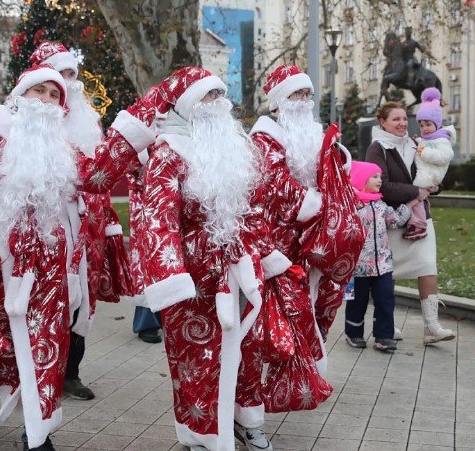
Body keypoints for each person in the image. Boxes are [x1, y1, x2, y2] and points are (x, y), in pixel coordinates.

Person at [0, 63, 156, 451]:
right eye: (41, 91)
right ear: (21, 94)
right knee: (3, 346)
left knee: (47, 347)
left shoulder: (63, 147)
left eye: (56, 95)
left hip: (53, 268)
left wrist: (136, 124)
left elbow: (97, 176)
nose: (48, 100)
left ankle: (37, 434)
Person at [134, 66, 270, 451]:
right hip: (191, 275)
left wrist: (264, 255)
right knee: (196, 357)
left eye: (218, 95)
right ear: (186, 106)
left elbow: (254, 208)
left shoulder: (236, 149)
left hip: (239, 268)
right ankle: (202, 435)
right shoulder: (168, 153)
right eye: (206, 97)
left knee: (248, 347)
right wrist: (171, 276)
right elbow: (156, 219)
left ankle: (247, 420)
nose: (216, 104)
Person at [29, 40, 135, 401]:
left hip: (87, 230)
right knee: (48, 304)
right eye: (61, 74)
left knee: (83, 306)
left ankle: (71, 373)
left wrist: (108, 223)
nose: (68, 82)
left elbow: (100, 178)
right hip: (45, 233)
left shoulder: (89, 121)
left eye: (72, 74)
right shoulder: (29, 121)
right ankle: (38, 375)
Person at [251, 64, 358, 372]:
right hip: (280, 237)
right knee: (284, 303)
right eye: (297, 93)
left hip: (316, 233)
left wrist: (340, 163)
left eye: (309, 93)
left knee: (316, 298)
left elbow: (329, 169)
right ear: (280, 99)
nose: (305, 100)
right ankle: (279, 367)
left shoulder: (311, 133)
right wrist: (315, 204)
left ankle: (304, 364)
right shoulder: (265, 136)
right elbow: (276, 183)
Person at [365, 102, 455, 344]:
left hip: (421, 218)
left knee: (428, 266)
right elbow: (381, 185)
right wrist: (415, 191)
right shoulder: (377, 148)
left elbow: (431, 170)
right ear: (382, 122)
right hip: (393, 218)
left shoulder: (416, 144)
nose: (402, 123)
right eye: (396, 119)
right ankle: (387, 324)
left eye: (405, 118)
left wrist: (434, 186)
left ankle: (431, 327)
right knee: (388, 275)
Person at [344, 161, 416, 352]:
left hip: (382, 264)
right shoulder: (352, 205)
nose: (380, 180)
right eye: (375, 176)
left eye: (380, 176)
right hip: (358, 266)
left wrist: (409, 206)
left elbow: (395, 221)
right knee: (356, 302)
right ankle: (354, 333)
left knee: (385, 300)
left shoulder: (380, 204)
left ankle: (383, 336)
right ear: (361, 179)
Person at [404, 88, 456, 240]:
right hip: (425, 172)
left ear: (437, 124)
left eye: (428, 124)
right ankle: (415, 224)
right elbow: (424, 146)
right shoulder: (428, 139)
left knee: (415, 200)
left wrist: (424, 152)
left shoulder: (442, 140)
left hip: (431, 175)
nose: (424, 128)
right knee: (416, 200)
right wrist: (419, 142)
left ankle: (418, 225)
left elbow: (445, 156)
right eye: (421, 125)